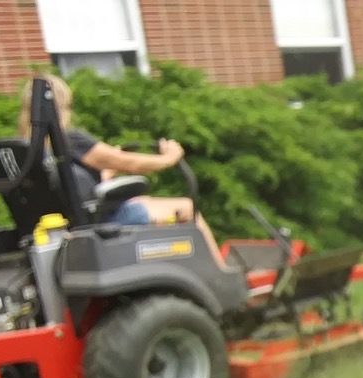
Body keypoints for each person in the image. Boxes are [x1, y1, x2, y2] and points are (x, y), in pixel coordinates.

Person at [17, 75, 223, 262]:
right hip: (98, 222)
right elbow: (130, 162)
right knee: (187, 206)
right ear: (63, 107)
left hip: (70, 223)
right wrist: (170, 157)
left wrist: (106, 172)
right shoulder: (69, 139)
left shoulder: (28, 148)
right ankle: (219, 271)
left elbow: (69, 187)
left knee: (145, 201)